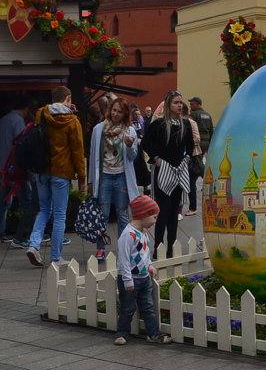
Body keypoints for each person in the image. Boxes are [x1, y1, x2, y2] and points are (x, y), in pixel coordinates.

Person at [26, 86, 86, 267]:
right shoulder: (72, 121)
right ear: (68, 98)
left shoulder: (42, 114)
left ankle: (33, 244)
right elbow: (77, 150)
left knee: (44, 210)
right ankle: (56, 257)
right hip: (62, 171)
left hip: (42, 170)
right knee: (60, 215)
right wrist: (81, 177)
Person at [142, 90, 198, 258]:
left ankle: (171, 247)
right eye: (176, 102)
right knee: (164, 211)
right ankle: (158, 246)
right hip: (163, 170)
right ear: (168, 105)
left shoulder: (185, 124)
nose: (179, 105)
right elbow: (145, 143)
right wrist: (156, 158)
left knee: (174, 212)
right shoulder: (158, 124)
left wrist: (187, 158)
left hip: (179, 170)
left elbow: (190, 146)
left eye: (181, 102)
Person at [114, 194, 171, 345]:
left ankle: (153, 333)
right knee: (127, 308)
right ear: (143, 216)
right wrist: (127, 280)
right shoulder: (128, 235)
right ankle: (122, 333)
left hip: (144, 278)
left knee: (148, 307)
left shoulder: (144, 232)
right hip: (131, 279)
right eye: (154, 217)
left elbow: (144, 254)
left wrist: (149, 266)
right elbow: (124, 260)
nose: (155, 220)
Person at [88, 97, 139, 261]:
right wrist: (90, 180)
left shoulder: (129, 131)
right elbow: (93, 156)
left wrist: (130, 145)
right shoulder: (99, 129)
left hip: (122, 177)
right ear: (110, 110)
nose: (116, 114)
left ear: (125, 114)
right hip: (104, 176)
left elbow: (133, 157)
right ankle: (100, 249)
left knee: (123, 215)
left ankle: (123, 250)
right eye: (114, 110)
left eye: (120, 111)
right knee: (102, 214)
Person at [0, 95, 35, 244]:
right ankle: (27, 233)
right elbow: (22, 142)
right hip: (15, 168)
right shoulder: (18, 121)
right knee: (27, 201)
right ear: (25, 109)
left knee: (3, 201)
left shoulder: (3, 120)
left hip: (3, 167)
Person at [187, 97, 214, 216]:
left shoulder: (194, 115)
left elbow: (190, 130)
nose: (190, 106)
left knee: (197, 165)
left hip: (197, 144)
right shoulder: (207, 115)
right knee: (199, 165)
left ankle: (210, 181)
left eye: (192, 104)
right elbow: (211, 130)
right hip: (207, 142)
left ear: (198, 104)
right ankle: (208, 180)